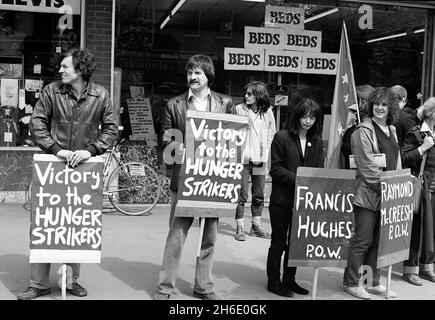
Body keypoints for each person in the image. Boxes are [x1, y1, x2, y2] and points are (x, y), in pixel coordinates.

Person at [18, 48, 118, 300]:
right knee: (46, 221)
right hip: (53, 165)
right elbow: (37, 122)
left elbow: (110, 128)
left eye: (65, 66)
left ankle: (72, 280)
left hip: (84, 167)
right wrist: (56, 149)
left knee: (77, 220)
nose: (60, 70)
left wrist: (91, 150)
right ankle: (38, 283)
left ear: (81, 70)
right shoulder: (52, 91)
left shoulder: (101, 95)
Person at [153, 54, 234, 300]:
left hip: (214, 179)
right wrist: (181, 147)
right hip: (185, 177)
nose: (192, 76)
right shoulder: (174, 104)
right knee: (176, 235)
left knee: (209, 236)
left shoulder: (225, 102)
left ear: (208, 75)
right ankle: (165, 286)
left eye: (197, 72)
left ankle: (204, 287)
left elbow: (231, 139)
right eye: (189, 72)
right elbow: (165, 141)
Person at [343, 87, 400, 300]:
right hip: (368, 195)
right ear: (371, 105)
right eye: (377, 103)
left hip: (389, 194)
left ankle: (370, 282)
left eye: (385, 104)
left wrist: (401, 183)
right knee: (362, 240)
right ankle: (351, 282)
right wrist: (389, 188)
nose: (380, 108)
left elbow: (397, 161)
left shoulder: (392, 130)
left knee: (377, 241)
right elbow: (366, 166)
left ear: (390, 108)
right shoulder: (362, 131)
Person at [266, 98, 323, 297]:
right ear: (297, 116)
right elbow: (275, 169)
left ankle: (289, 280)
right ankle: (273, 282)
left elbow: (319, 170)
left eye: (313, 117)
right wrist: (301, 179)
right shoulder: (281, 137)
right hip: (281, 200)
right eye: (305, 116)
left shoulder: (316, 141)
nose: (308, 121)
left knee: (297, 244)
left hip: (304, 202)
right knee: (278, 242)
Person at [234, 81, 276, 241]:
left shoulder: (268, 112)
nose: (246, 96)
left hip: (260, 159)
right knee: (241, 194)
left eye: (250, 94)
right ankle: (240, 227)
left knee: (258, 194)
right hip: (243, 159)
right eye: (246, 93)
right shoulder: (239, 109)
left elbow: (272, 133)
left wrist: (265, 152)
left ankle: (255, 226)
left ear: (259, 95)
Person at [401, 97, 435, 286]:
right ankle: (410, 269)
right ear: (431, 113)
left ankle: (427, 266)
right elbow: (403, 158)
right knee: (415, 229)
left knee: (432, 230)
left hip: (434, 186)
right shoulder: (416, 133)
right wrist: (422, 148)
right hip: (420, 187)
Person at [341, 84, 375, 169]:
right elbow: (347, 152)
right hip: (354, 174)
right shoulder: (351, 131)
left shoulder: (378, 129)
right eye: (362, 100)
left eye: (365, 100)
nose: (363, 104)